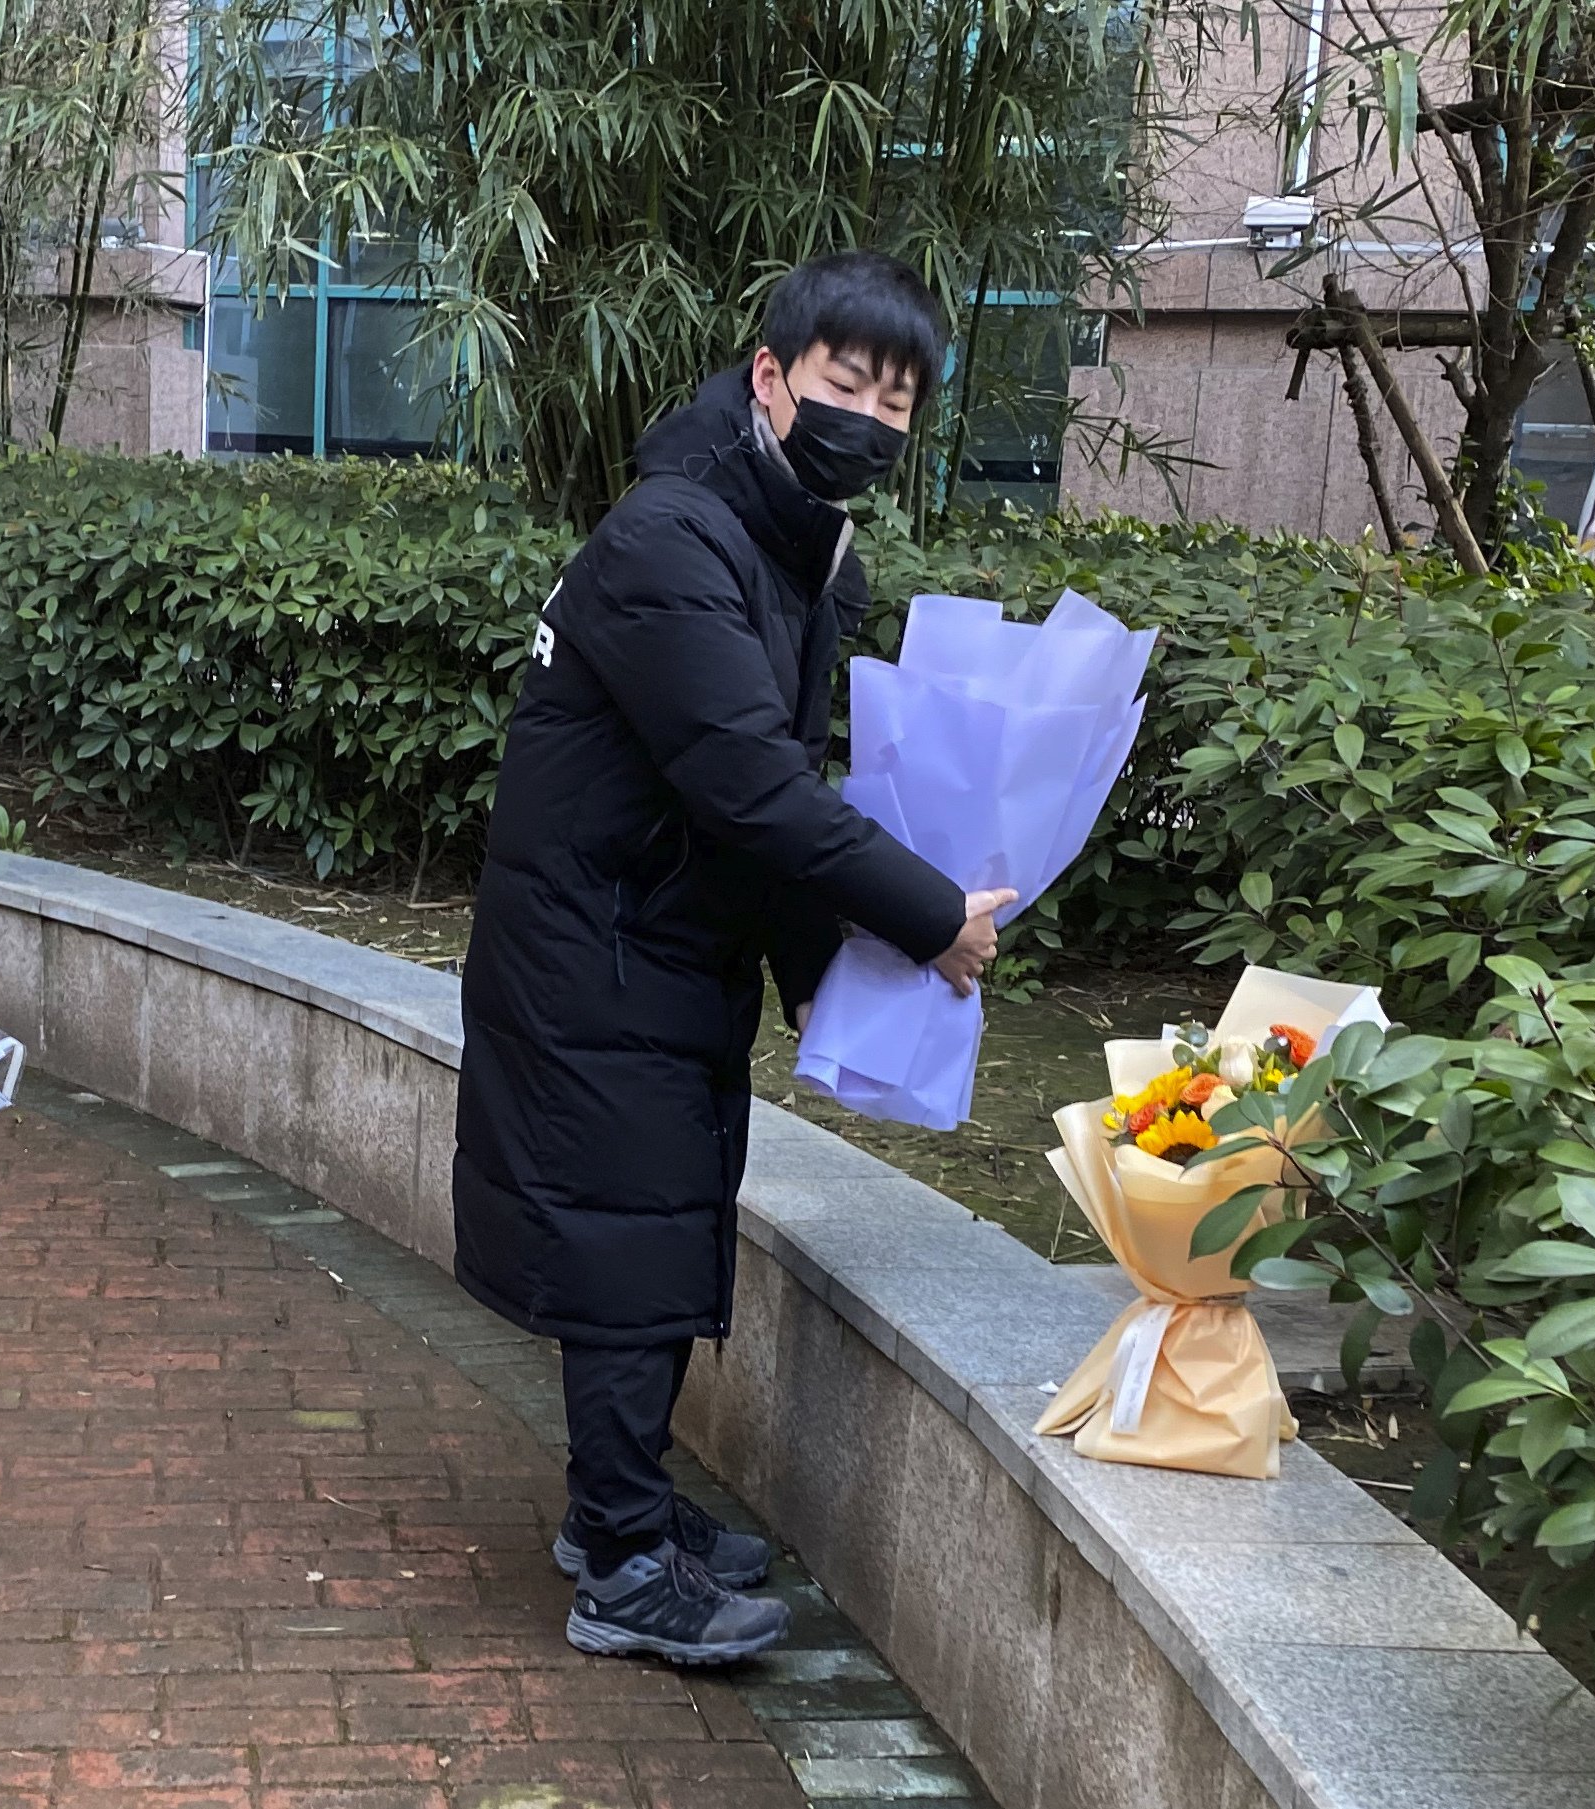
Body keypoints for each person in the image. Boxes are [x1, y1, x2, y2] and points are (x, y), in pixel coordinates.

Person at [452, 252, 1016, 1664]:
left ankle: (620, 1510)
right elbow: (752, 789)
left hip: (656, 935)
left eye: (896, 400)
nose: (868, 420)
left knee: (663, 1209)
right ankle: (624, 1561)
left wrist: (822, 975)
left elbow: (775, 788)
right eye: (844, 384)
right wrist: (928, 915)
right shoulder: (671, 541)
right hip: (597, 948)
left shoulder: (790, 545)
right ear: (769, 379)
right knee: (625, 1231)